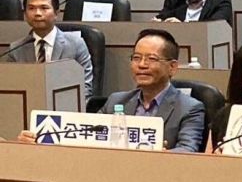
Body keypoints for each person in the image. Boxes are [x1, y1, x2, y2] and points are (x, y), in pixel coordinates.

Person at [15, 29, 204, 151]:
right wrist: (36, 139)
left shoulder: (190, 108)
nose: (142, 65)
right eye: (136, 58)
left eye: (151, 59)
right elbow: (85, 137)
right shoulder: (116, 101)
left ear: (172, 67)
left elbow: (189, 150)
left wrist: (162, 154)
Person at [3, 0, 94, 98]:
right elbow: (12, 89)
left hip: (67, 106)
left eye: (44, 8)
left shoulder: (75, 44)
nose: (37, 13)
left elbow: (85, 88)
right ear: (25, 15)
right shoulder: (16, 49)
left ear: (56, 13)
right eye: (31, 8)